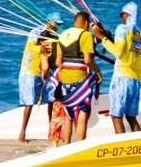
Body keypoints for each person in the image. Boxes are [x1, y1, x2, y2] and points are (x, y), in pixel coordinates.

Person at [96, 1, 141, 134]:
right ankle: (139, 142)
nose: (121, 17)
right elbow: (126, 49)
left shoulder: (121, 29)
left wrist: (102, 38)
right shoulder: (139, 33)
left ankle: (121, 143)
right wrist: (108, 37)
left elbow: (118, 52)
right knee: (131, 117)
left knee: (116, 116)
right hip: (135, 80)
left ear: (126, 14)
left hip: (122, 78)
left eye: (122, 14)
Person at [55, 10, 102, 143]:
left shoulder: (63, 35)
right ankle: (79, 144)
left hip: (65, 80)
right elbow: (88, 60)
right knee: (83, 112)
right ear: (86, 23)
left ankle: (67, 144)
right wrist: (98, 72)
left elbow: (58, 62)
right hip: (81, 81)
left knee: (68, 114)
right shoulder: (85, 35)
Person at [17, 11, 63, 142]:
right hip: (30, 71)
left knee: (52, 99)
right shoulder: (36, 32)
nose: (57, 27)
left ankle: (52, 131)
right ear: (49, 21)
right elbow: (31, 47)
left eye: (59, 24)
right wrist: (40, 49)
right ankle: (22, 133)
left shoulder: (56, 35)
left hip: (47, 70)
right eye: (55, 24)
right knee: (30, 102)